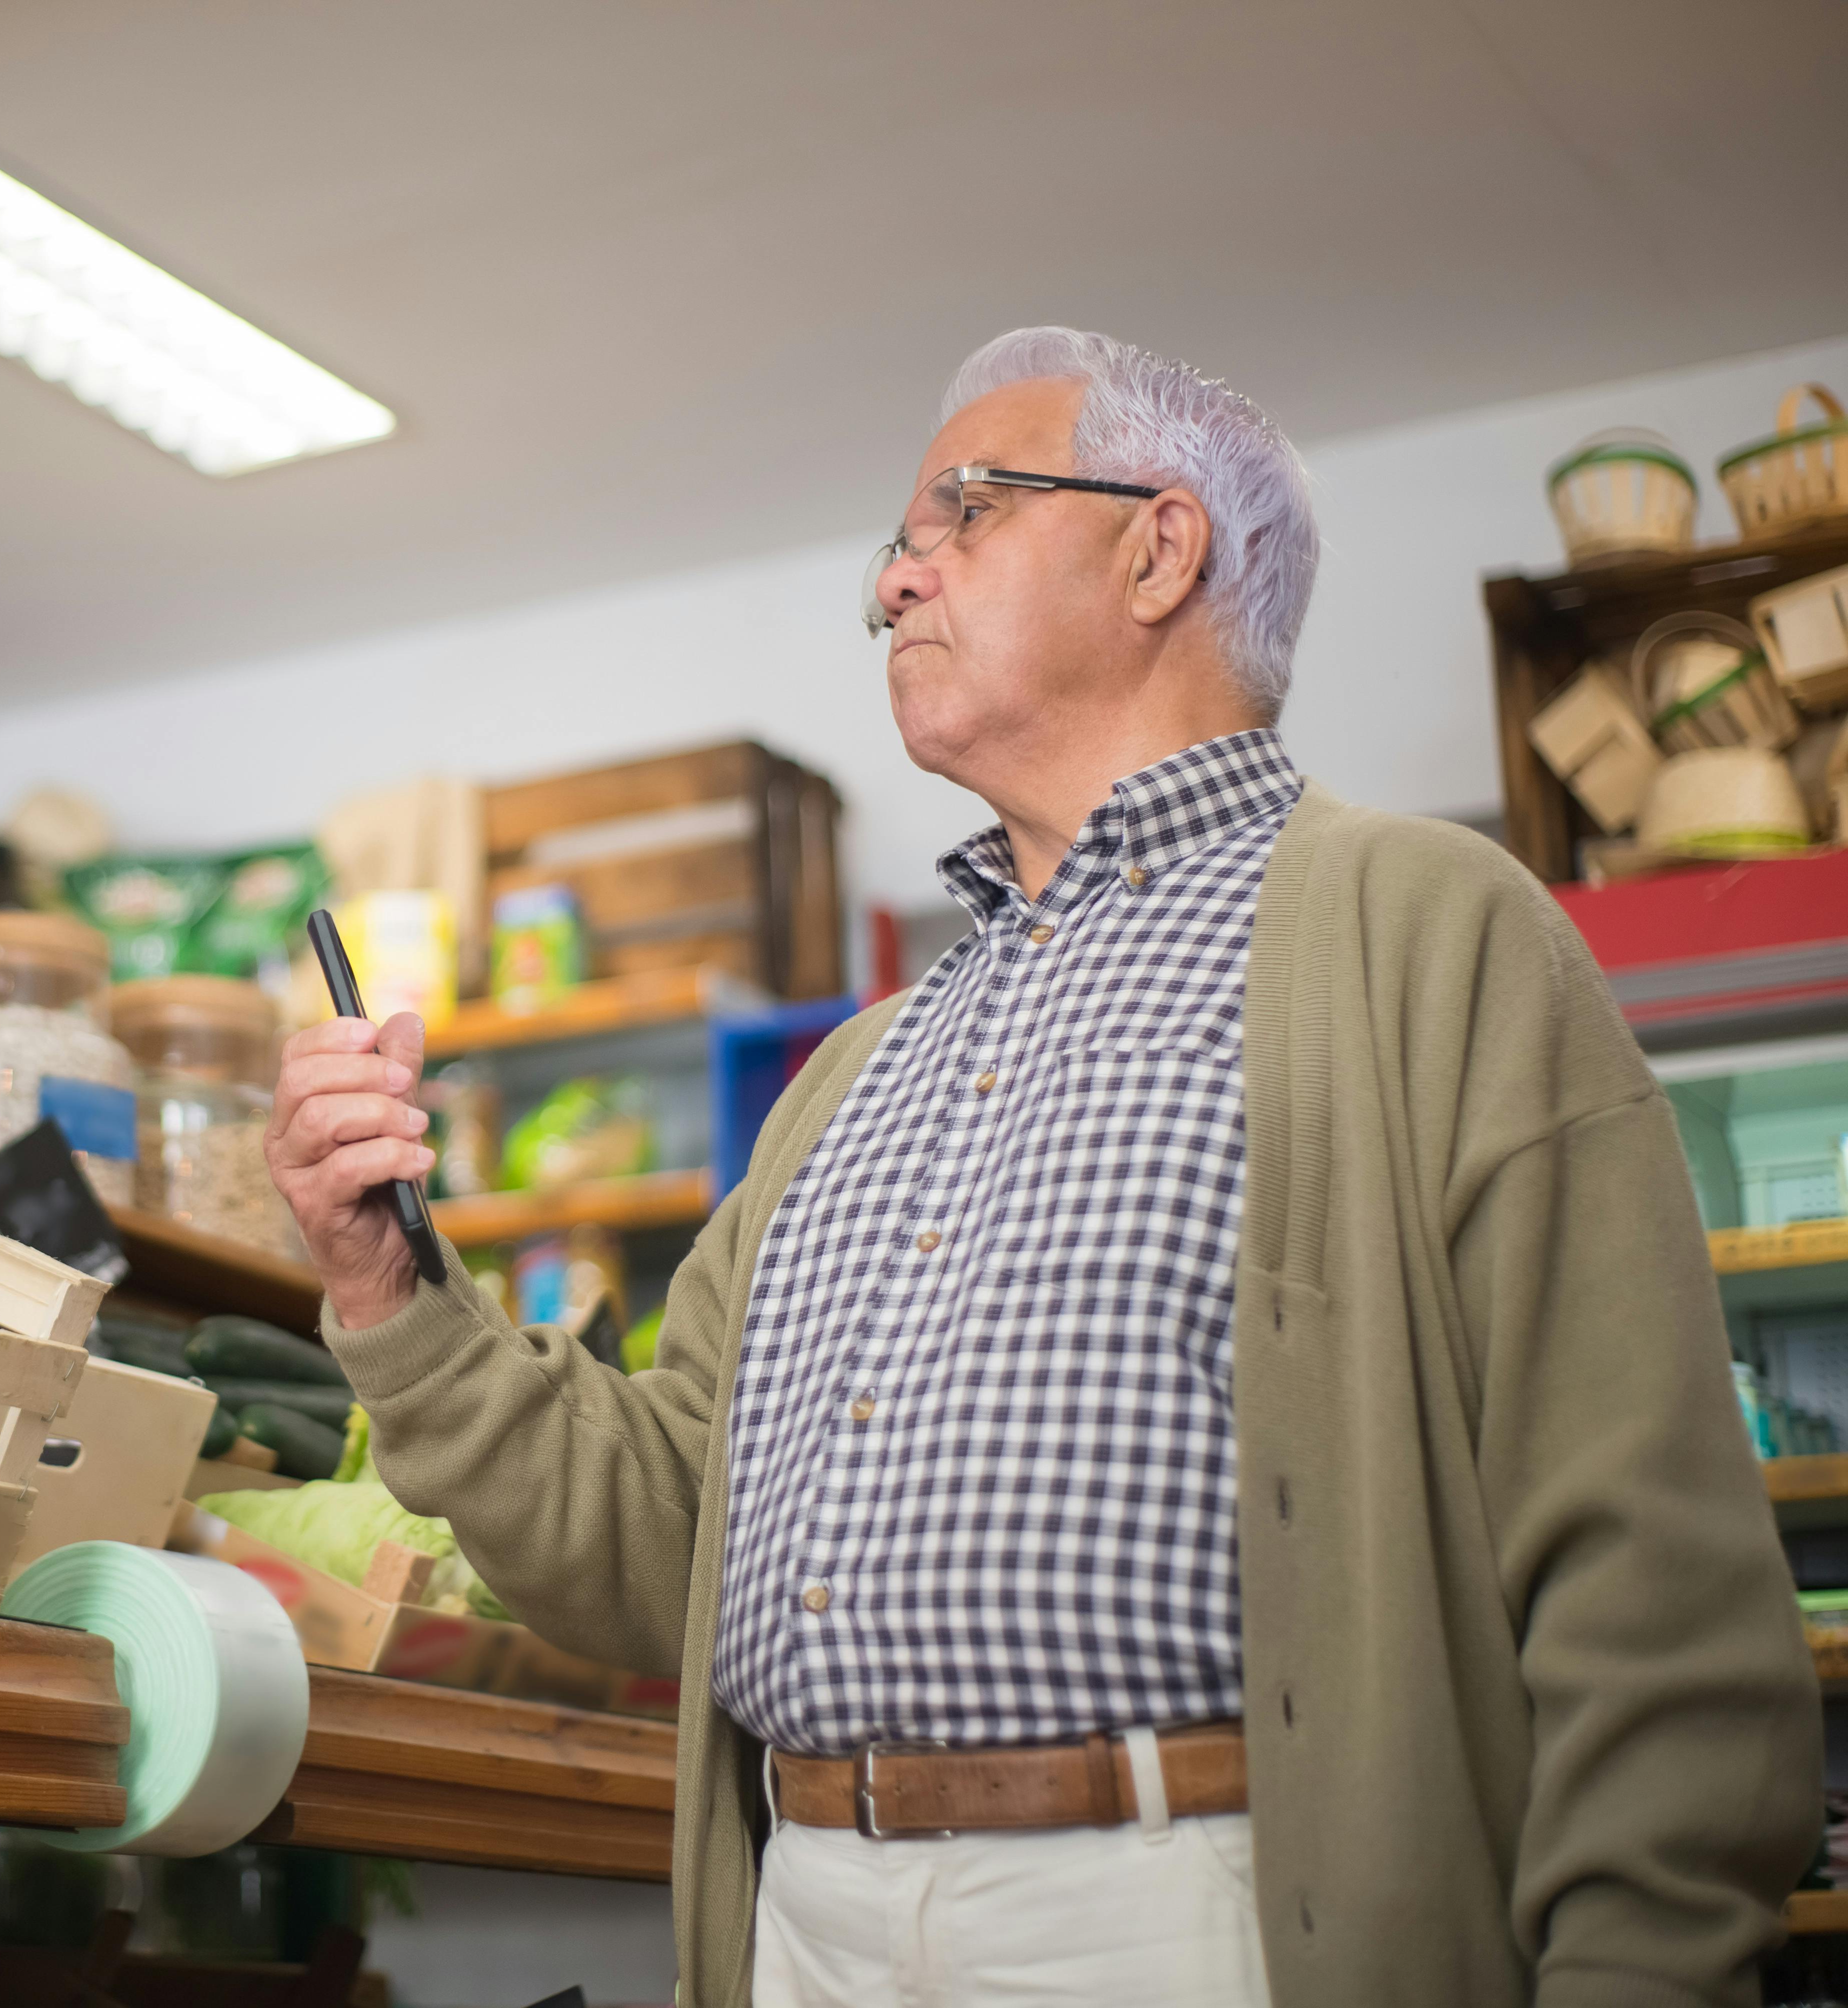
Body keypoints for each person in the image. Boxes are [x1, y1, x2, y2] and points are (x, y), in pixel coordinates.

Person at [267, 326, 1821, 2008]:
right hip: (805, 1928)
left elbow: (1651, 1596)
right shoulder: (859, 1070)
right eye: (899, 543)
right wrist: (385, 1281)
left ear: (1159, 550)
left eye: (966, 513)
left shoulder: (1431, 936)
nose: (889, 583)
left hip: (1195, 1923)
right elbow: (660, 1534)